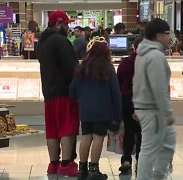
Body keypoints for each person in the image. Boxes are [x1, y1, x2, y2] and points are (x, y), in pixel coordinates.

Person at [69, 36, 122, 180]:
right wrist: (118, 115)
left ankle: (82, 169)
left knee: (86, 137)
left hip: (85, 110)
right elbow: (116, 93)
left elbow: (72, 91)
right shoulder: (108, 69)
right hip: (102, 110)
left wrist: (82, 99)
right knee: (98, 138)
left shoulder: (81, 68)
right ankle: (94, 169)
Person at [36, 10, 79, 177]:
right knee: (67, 127)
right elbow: (71, 68)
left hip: (48, 91)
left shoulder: (42, 42)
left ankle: (53, 163)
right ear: (57, 24)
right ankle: (67, 164)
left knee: (52, 129)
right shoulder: (61, 41)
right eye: (66, 24)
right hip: (64, 91)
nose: (68, 27)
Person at [132, 18, 176, 180]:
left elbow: (136, 81)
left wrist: (137, 106)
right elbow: (158, 87)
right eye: (166, 34)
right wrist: (166, 112)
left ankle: (158, 174)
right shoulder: (155, 56)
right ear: (158, 36)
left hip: (146, 108)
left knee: (168, 141)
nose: (168, 37)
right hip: (153, 110)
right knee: (149, 149)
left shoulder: (142, 54)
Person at [117, 37, 143, 174]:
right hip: (143, 100)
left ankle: (126, 159)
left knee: (128, 130)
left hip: (126, 99)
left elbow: (118, 82)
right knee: (141, 132)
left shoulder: (125, 63)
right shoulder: (147, 62)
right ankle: (141, 159)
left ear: (133, 46)